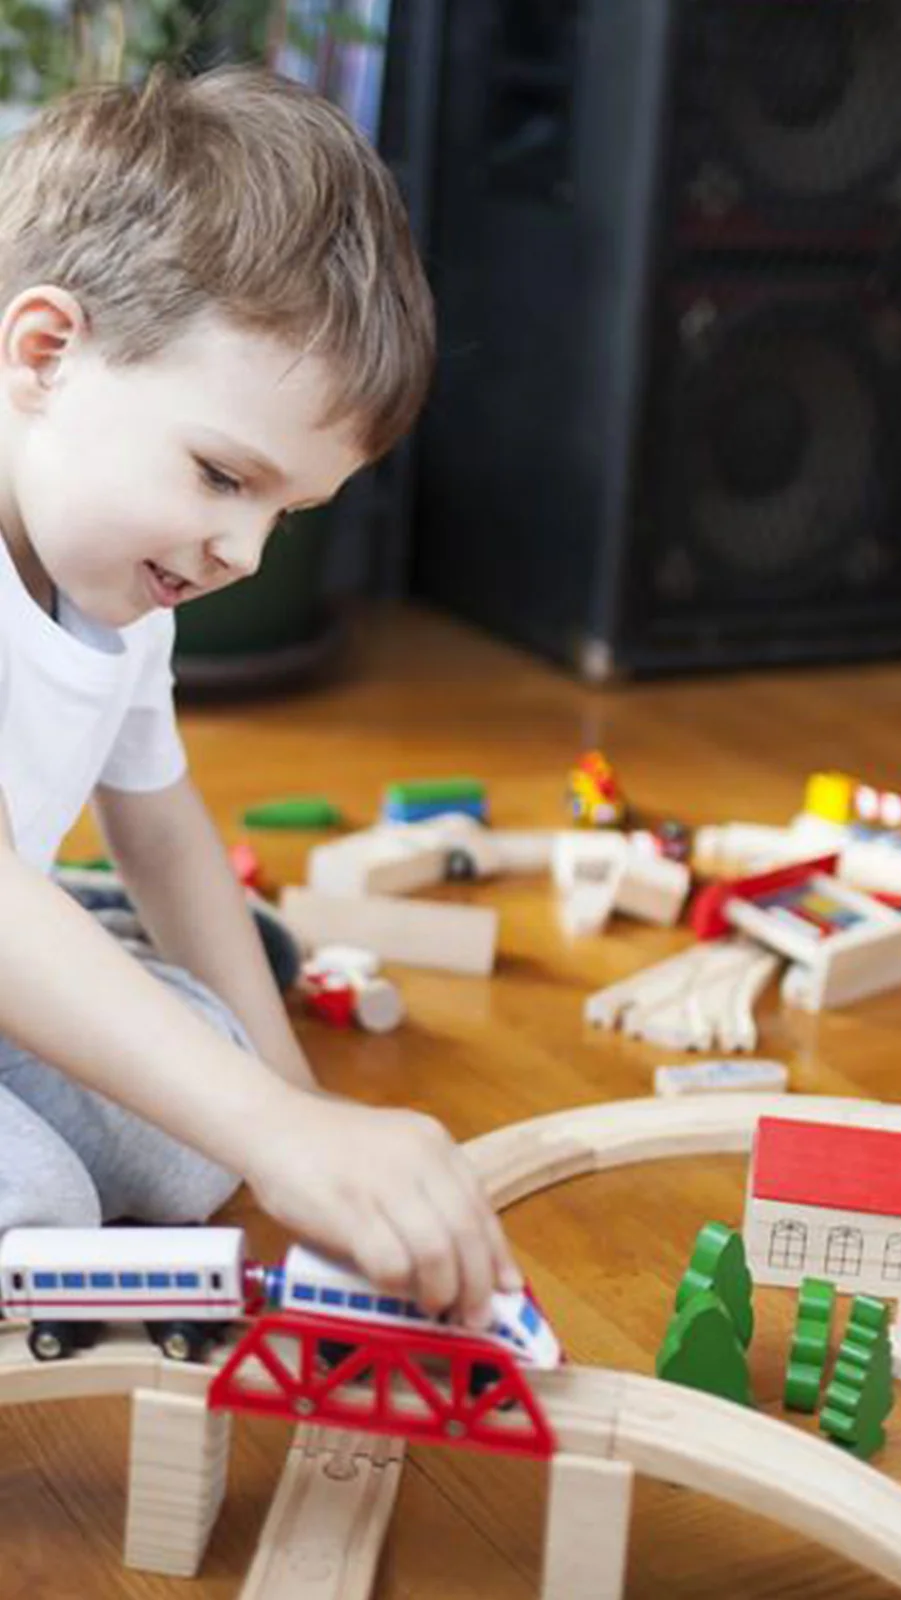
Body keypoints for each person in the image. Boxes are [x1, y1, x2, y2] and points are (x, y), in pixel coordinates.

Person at [0, 65, 521, 1331]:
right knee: (42, 1205)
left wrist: (295, 1101)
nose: (243, 554)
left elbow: (164, 827)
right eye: (224, 477)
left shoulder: (119, 580)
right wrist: (281, 1129)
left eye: (285, 512)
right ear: (47, 351)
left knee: (198, 1135)